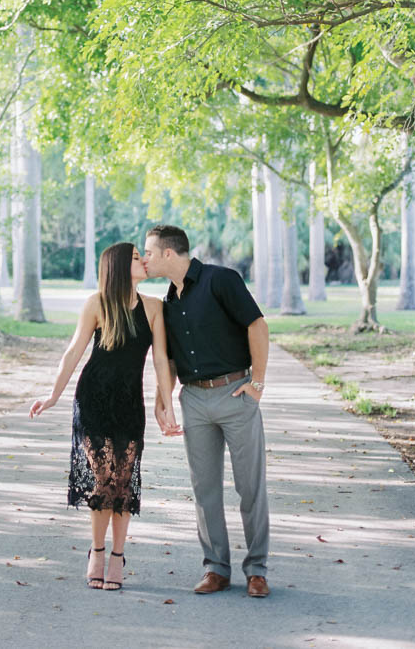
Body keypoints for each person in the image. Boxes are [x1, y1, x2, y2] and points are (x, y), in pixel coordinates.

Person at [29, 242, 180, 591]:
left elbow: (161, 360)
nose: (143, 261)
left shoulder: (154, 307)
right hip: (93, 399)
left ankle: (117, 555)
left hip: (130, 403)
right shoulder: (97, 303)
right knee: (103, 481)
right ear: (116, 266)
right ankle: (97, 552)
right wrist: (53, 395)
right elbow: (73, 351)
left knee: (123, 484)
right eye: (135, 257)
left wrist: (168, 405)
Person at [144, 224, 271, 598]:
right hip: (194, 400)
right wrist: (162, 401)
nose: (145, 258)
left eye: (148, 252)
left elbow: (257, 325)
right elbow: (165, 358)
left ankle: (257, 569)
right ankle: (216, 568)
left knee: (250, 487)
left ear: (169, 253)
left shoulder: (221, 280)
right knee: (205, 490)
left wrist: (257, 383)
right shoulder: (169, 301)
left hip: (235, 394)